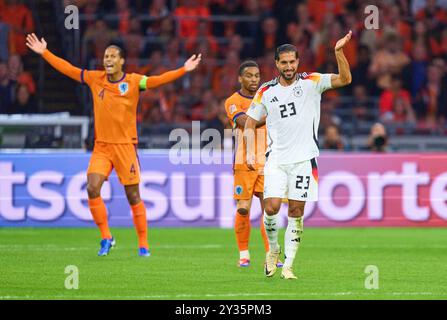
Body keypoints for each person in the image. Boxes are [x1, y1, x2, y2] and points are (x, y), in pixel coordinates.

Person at [25, 33, 201, 257]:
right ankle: (106, 237)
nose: (107, 60)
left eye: (112, 56)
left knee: (133, 196)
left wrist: (183, 69)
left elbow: (157, 80)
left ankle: (143, 245)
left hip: (125, 147)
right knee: (91, 187)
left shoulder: (135, 81)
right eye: (105, 56)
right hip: (102, 147)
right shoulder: (94, 78)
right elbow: (69, 69)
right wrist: (45, 53)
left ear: (121, 61)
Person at [244, 32, 352, 280]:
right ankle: (273, 250)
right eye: (284, 62)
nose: (289, 66)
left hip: (304, 161)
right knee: (270, 208)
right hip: (276, 160)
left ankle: (289, 265)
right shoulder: (265, 91)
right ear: (277, 64)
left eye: (293, 61)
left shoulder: (311, 82)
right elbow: (249, 123)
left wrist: (338, 52)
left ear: (298, 62)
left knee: (296, 211)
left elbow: (345, 79)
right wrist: (250, 152)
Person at [224, 60, 282, 268]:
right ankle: (244, 254)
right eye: (249, 75)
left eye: (257, 75)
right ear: (240, 78)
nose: (254, 79)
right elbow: (243, 122)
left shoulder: (268, 97)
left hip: (267, 160)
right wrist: (271, 114)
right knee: (243, 209)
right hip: (244, 160)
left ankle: (272, 254)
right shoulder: (233, 100)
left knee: (270, 210)